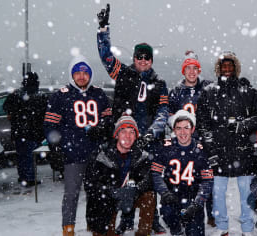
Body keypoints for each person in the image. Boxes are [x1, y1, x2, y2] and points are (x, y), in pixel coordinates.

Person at [97, 4, 168, 234]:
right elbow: (106, 56)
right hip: (124, 138)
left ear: (152, 60)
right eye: (140, 56)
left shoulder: (160, 83)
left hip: (148, 140)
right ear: (134, 57)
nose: (143, 60)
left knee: (150, 180)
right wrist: (102, 30)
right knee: (122, 178)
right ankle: (125, 219)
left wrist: (151, 134)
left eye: (148, 57)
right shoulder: (123, 73)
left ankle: (153, 219)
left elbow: (163, 113)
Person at [196, 51, 257, 236]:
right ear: (218, 69)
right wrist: (210, 149)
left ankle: (247, 229)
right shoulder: (208, 92)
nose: (227, 69)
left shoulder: (248, 91)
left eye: (230, 66)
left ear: (236, 68)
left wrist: (243, 125)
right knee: (218, 194)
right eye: (223, 66)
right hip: (218, 152)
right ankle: (222, 228)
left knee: (246, 195)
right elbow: (202, 123)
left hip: (244, 151)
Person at [44, 55, 110, 236]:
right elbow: (50, 126)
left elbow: (109, 119)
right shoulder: (60, 96)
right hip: (73, 153)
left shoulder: (99, 94)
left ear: (90, 74)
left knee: (95, 193)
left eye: (85, 72)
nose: (81, 76)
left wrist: (102, 128)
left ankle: (93, 224)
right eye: (77, 72)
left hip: (96, 154)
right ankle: (68, 228)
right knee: (71, 194)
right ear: (71, 74)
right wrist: (56, 147)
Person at [84, 115, 155, 236]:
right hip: (107, 198)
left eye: (132, 132)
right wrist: (111, 192)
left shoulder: (142, 155)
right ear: (116, 135)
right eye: (123, 131)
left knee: (149, 196)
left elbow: (149, 179)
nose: (128, 136)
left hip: (131, 195)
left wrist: (135, 190)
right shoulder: (101, 154)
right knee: (99, 205)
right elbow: (90, 184)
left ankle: (143, 233)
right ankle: (101, 229)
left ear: (136, 136)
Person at [168, 50, 215, 227]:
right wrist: (180, 130)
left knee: (207, 177)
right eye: (188, 68)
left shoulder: (207, 87)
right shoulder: (176, 91)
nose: (192, 72)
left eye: (195, 68)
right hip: (185, 141)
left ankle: (210, 213)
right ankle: (184, 211)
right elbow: (169, 115)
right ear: (183, 71)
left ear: (199, 70)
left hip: (204, 139)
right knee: (185, 178)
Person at [151, 110, 213, 236]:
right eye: (178, 128)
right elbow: (155, 173)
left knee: (195, 231)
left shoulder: (201, 150)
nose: (183, 132)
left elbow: (208, 181)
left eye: (186, 128)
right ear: (173, 129)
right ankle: (177, 230)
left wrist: (198, 202)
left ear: (193, 129)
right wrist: (164, 192)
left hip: (193, 197)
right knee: (168, 210)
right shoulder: (165, 148)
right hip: (172, 196)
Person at [3, 71, 48, 187]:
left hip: (18, 131)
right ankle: (29, 179)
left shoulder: (16, 94)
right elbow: (44, 113)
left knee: (21, 155)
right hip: (31, 131)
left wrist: (13, 114)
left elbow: (6, 107)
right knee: (29, 156)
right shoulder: (39, 96)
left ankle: (23, 177)